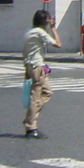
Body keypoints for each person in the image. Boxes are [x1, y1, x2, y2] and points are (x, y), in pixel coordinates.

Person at [23, 10, 61, 138]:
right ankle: (30, 126)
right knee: (36, 96)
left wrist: (26, 69)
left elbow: (25, 52)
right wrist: (53, 29)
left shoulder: (29, 32)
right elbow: (58, 44)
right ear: (44, 21)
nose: (50, 21)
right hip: (37, 66)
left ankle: (31, 117)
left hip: (31, 66)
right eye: (48, 19)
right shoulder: (40, 32)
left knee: (47, 92)